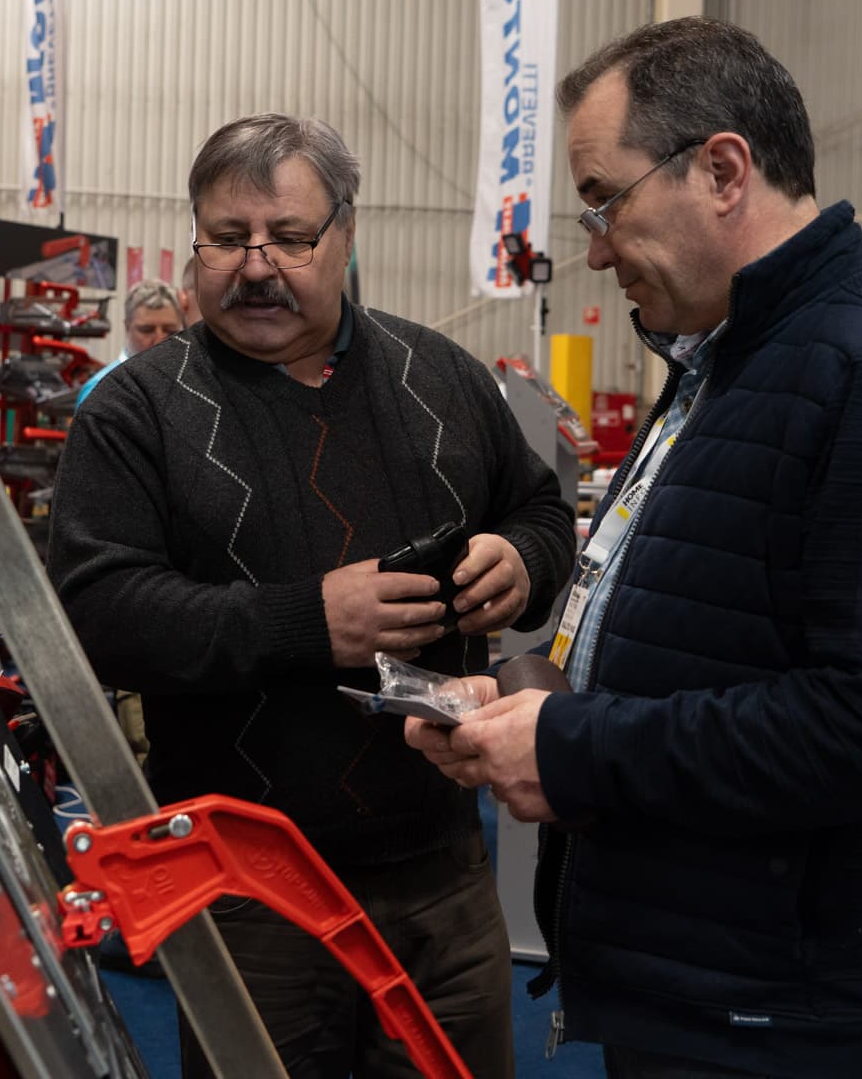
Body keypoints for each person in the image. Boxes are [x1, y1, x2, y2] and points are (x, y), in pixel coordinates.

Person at [405, 17, 862, 1079]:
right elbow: (704, 635)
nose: (596, 248)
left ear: (723, 170)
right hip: (704, 982)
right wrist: (527, 703)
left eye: (605, 202)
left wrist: (575, 748)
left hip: (795, 1023)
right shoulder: (727, 365)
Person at [49, 113, 575, 1078]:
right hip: (249, 895)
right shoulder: (134, 412)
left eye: (289, 238)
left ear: (345, 235)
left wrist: (523, 558)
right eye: (227, 237)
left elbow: (541, 509)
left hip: (444, 886)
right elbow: (98, 616)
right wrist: (307, 623)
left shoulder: (443, 378)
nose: (257, 267)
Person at [74, 278, 184, 408]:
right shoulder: (100, 390)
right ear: (127, 327)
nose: (159, 341)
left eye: (171, 331)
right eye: (147, 330)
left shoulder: (191, 385)